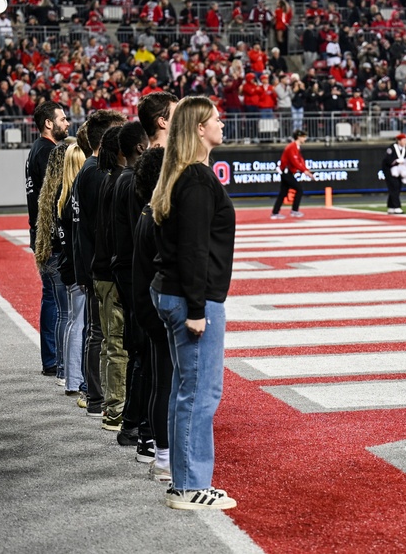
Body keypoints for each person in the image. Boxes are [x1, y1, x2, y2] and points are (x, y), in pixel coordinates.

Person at [149, 96, 237, 510]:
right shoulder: (198, 179)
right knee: (201, 392)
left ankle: (183, 480)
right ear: (200, 128)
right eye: (215, 118)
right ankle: (191, 486)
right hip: (191, 299)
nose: (222, 123)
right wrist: (199, 309)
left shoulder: (182, 174)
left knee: (186, 389)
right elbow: (194, 250)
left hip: (175, 293)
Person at [69, 109, 127, 419]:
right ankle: (95, 396)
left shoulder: (89, 170)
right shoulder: (95, 173)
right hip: (98, 265)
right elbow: (96, 227)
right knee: (100, 333)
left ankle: (94, 394)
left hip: (91, 262)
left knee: (98, 332)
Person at [131, 146, 170, 482]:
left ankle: (161, 453)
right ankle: (166, 457)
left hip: (148, 310)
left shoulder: (146, 212)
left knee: (161, 384)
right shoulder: (154, 215)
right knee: (167, 385)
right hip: (157, 314)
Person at [112, 121, 150, 454]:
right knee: (141, 351)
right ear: (141, 147)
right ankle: (133, 423)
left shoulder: (121, 179)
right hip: (133, 274)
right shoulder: (131, 182)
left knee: (137, 349)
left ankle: (132, 421)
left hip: (125, 271)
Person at [25, 101, 71, 376]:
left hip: (41, 234)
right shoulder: (48, 152)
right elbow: (54, 197)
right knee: (57, 299)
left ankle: (52, 358)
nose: (67, 123)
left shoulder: (36, 149)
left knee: (50, 296)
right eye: (62, 119)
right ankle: (54, 359)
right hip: (51, 237)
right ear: (48, 123)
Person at [34, 139, 76, 388]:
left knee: (61, 313)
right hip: (60, 255)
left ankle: (59, 366)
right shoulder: (64, 190)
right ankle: (66, 369)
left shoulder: (47, 190)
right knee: (69, 315)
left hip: (48, 254)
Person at [56, 144, 87, 400]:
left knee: (72, 321)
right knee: (79, 323)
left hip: (67, 264)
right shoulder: (74, 197)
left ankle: (69, 375)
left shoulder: (62, 195)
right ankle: (75, 378)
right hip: (77, 267)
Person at [270, 129, 314, 220]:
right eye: (304, 137)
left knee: (283, 192)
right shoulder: (292, 147)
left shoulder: (296, 147)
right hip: (286, 172)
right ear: (299, 137)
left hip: (287, 172)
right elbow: (295, 161)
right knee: (299, 189)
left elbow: (300, 160)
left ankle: (275, 212)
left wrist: (306, 170)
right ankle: (294, 210)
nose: (305, 139)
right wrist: (305, 171)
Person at [381, 133, 406, 214]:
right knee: (394, 187)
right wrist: (396, 161)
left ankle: (391, 206)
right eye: (404, 140)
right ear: (399, 141)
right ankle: (397, 206)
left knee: (397, 187)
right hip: (389, 170)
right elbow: (387, 160)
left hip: (399, 170)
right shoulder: (392, 148)